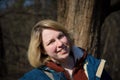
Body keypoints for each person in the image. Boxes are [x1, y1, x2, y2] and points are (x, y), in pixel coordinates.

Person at [19, 19, 112, 80]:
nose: (60, 44)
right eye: (51, 42)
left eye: (60, 36)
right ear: (43, 50)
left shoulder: (94, 66)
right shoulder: (35, 77)